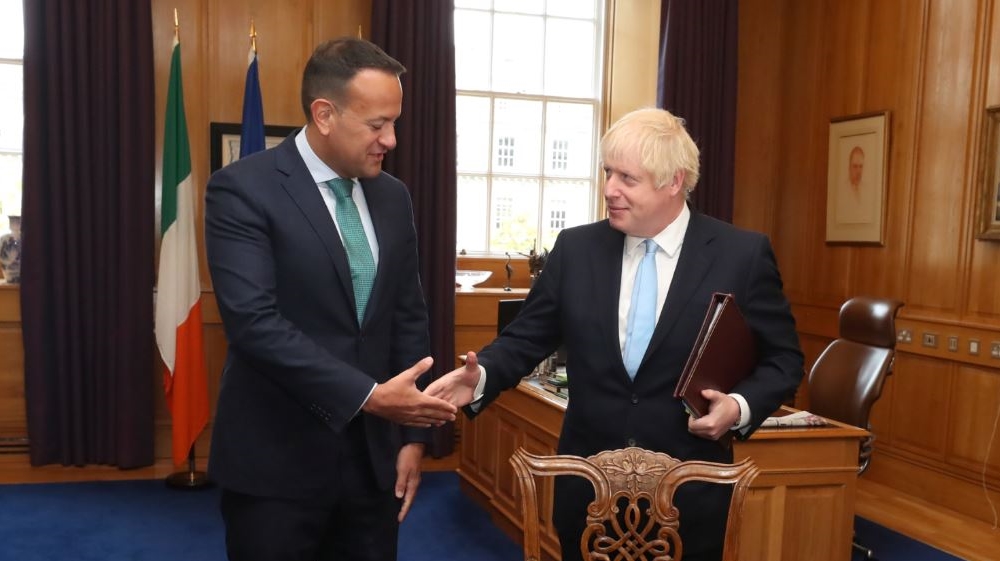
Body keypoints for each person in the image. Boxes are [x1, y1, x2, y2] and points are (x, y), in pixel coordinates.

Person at [428, 108, 804, 561]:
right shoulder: (576, 248)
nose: (609, 189)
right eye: (608, 172)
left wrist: (738, 407)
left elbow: (783, 360)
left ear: (673, 182)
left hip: (689, 494)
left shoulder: (741, 255)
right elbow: (526, 338)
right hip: (588, 489)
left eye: (627, 177)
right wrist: (481, 374)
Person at [204, 37, 458, 561]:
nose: (390, 139)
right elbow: (255, 324)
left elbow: (407, 316)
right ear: (324, 114)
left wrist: (412, 436)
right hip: (276, 463)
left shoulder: (393, 196)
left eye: (394, 123)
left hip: (373, 466)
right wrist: (369, 395)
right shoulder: (243, 190)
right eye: (376, 125)